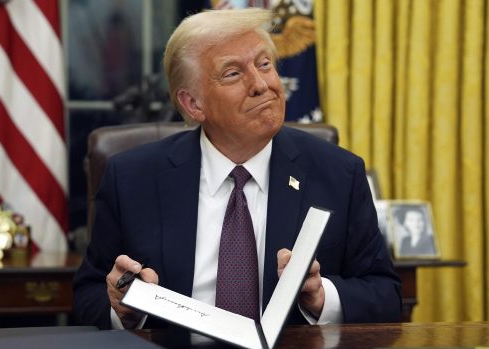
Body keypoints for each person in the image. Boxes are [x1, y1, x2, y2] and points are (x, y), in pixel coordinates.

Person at [73, 8, 401, 330]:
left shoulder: (339, 174)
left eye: (265, 64)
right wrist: (126, 310)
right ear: (193, 104)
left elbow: (386, 295)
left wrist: (320, 297)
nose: (261, 84)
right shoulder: (132, 179)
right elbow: (88, 295)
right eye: (233, 73)